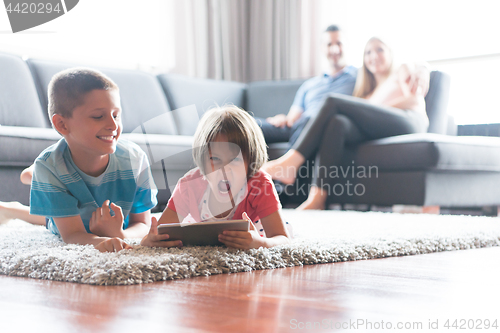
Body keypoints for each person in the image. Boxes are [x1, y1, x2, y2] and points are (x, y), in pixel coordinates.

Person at [0, 68, 180, 252]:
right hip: (64, 204)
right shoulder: (49, 167)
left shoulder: (135, 159)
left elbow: (143, 223)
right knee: (52, 218)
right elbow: (72, 234)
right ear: (62, 124)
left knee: (55, 201)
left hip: (103, 215)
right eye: (98, 116)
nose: (113, 125)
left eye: (116, 115)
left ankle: (36, 184)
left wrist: (119, 234)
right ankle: (25, 192)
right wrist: (102, 241)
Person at [262, 37, 430, 210]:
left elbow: (414, 99)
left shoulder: (401, 70)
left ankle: (291, 162)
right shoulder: (368, 94)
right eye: (368, 52)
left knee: (332, 101)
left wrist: (423, 68)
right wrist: (371, 107)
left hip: (411, 120)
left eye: (379, 50)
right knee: (337, 123)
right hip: (384, 126)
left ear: (390, 53)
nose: (374, 56)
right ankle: (317, 197)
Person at [148, 105, 291, 249]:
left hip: (257, 231)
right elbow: (158, 234)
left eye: (234, 160)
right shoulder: (189, 185)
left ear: (250, 163)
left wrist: (261, 242)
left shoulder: (259, 184)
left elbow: (282, 238)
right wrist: (151, 240)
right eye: (215, 159)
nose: (224, 169)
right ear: (202, 160)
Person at [255, 25, 358, 147]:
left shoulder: (359, 78)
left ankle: (289, 163)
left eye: (339, 43)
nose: (334, 49)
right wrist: (283, 119)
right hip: (300, 126)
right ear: (322, 48)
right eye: (329, 44)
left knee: (309, 121)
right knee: (247, 125)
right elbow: (292, 119)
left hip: (325, 127)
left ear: (347, 46)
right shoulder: (310, 85)